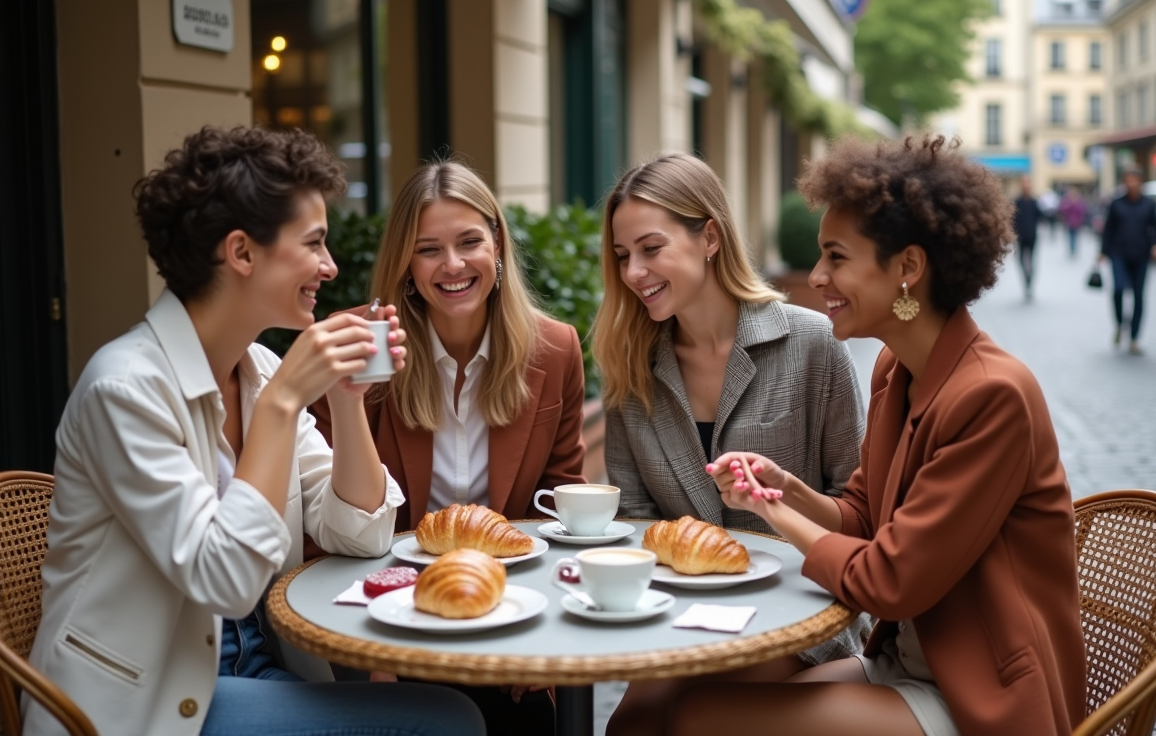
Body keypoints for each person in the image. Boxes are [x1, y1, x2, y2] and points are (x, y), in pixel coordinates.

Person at [23, 126, 485, 736]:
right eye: (314, 243)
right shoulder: (126, 389)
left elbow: (360, 536)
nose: (331, 265)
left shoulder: (260, 369)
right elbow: (227, 582)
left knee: (443, 708)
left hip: (259, 669)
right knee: (445, 721)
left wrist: (347, 403)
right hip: (154, 702)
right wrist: (286, 403)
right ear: (241, 253)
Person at [668, 135, 1087, 736]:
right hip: (904, 664)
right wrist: (786, 490)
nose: (816, 277)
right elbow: (864, 517)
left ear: (909, 268)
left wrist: (771, 514)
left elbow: (890, 583)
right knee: (686, 708)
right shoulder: (898, 368)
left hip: (979, 695)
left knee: (703, 721)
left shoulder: (993, 395)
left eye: (837, 257)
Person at [594, 153, 870, 734]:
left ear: (710, 236)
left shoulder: (810, 342)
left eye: (651, 248)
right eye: (622, 256)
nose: (633, 272)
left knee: (686, 718)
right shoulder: (631, 363)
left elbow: (857, 507)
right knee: (632, 724)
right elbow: (636, 518)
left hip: (800, 616)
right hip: (678, 619)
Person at [313, 159, 585, 733]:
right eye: (429, 248)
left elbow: (561, 506)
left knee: (529, 719)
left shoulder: (554, 349)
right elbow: (321, 521)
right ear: (406, 265)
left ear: (498, 248)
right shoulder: (358, 347)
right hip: (388, 614)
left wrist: (549, 635)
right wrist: (371, 649)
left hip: (510, 613)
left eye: (469, 242)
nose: (454, 265)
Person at [1100, 166, 1156, 355]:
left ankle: (1135, 338)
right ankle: (1120, 324)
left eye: (1135, 180)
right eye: (1128, 180)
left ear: (1141, 182)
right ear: (1124, 182)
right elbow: (1108, 229)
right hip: (1118, 254)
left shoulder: (1149, 204)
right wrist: (1103, 251)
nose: (1131, 184)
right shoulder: (1116, 204)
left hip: (1141, 255)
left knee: (1138, 295)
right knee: (1119, 289)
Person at [1013, 175, 1040, 300]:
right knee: (1022, 262)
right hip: (1020, 237)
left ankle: (1029, 282)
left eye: (1028, 183)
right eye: (1024, 183)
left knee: (1032, 261)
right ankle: (1026, 280)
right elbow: (1012, 220)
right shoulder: (1017, 202)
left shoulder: (1035, 202)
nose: (1026, 186)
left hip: (1032, 236)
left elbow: (1040, 217)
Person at [1059, 186, 1089, 258]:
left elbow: (1083, 211)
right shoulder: (1067, 201)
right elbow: (1062, 210)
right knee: (1070, 237)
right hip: (1069, 223)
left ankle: (1074, 249)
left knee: (1075, 237)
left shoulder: (1079, 202)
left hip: (1077, 223)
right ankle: (1072, 249)